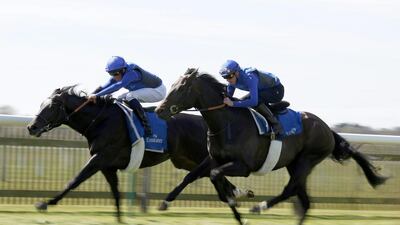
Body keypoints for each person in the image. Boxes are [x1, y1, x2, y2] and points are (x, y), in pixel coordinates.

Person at [88, 56, 166, 136]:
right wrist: (91, 94)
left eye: (116, 73)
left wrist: (97, 95)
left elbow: (117, 86)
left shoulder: (132, 73)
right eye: (111, 74)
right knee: (119, 99)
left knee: (130, 96)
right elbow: (105, 85)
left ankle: (146, 126)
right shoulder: (119, 72)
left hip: (158, 91)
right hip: (148, 90)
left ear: (123, 69)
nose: (114, 76)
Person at [220, 59, 284, 136]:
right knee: (242, 101)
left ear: (236, 73)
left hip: (276, 90)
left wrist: (233, 103)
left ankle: (276, 125)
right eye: (225, 77)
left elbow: (254, 101)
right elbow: (229, 96)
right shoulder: (232, 79)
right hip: (263, 91)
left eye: (229, 76)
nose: (228, 80)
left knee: (251, 101)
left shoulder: (250, 77)